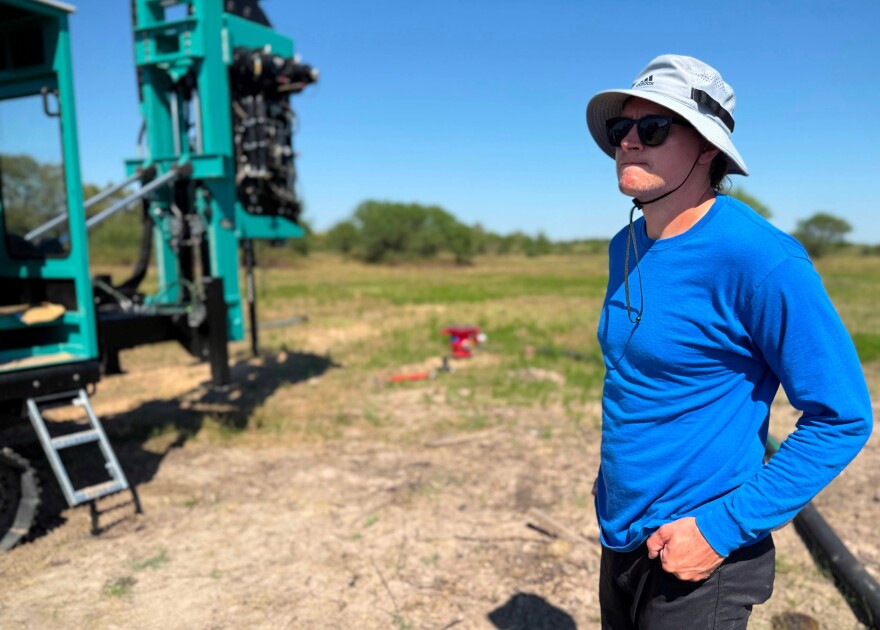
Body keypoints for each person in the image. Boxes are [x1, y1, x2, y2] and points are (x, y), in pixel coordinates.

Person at [584, 54, 873, 628]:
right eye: (621, 130)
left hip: (698, 554)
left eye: (653, 128)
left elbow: (842, 417)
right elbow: (638, 381)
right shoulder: (627, 244)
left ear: (708, 148)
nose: (629, 144)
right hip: (621, 532)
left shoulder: (761, 259)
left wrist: (719, 531)